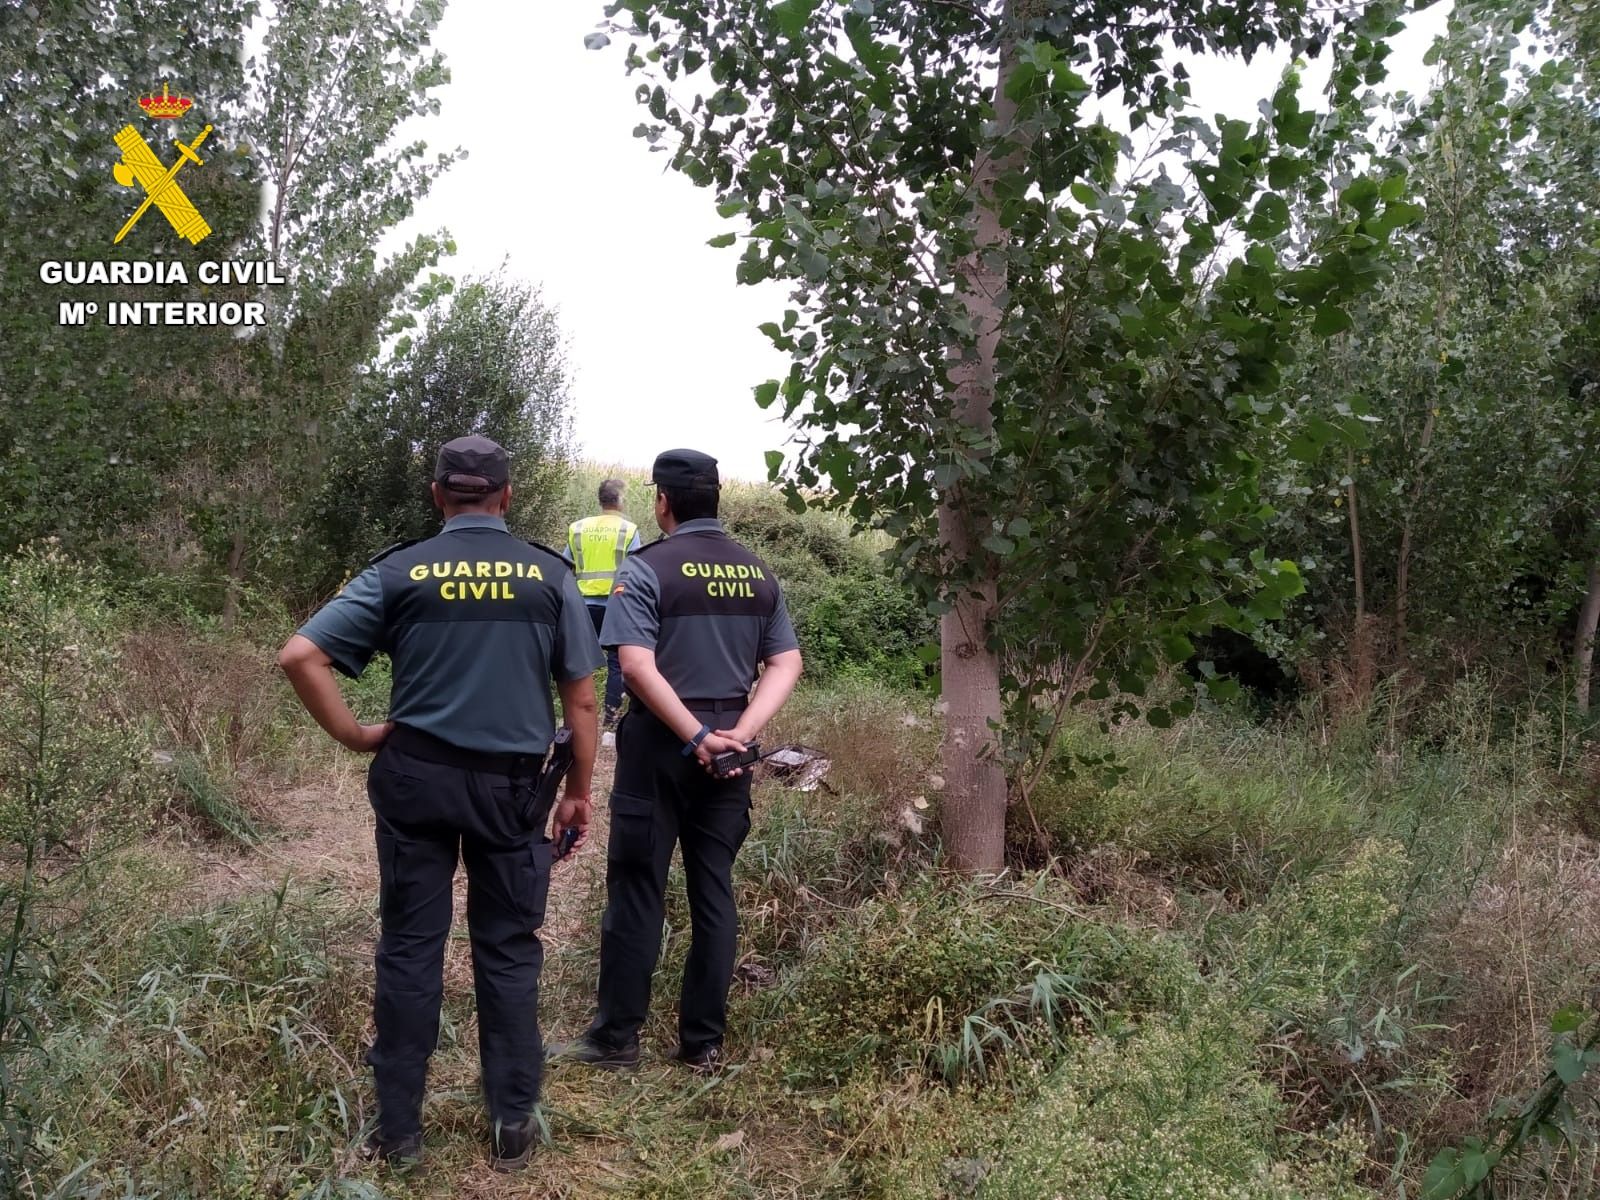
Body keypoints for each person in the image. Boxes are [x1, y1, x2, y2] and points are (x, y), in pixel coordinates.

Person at [276, 435, 602, 1171]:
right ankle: (512, 1126)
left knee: (410, 947)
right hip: (513, 792)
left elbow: (300, 655)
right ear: (506, 497)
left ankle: (398, 1134)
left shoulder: (400, 571)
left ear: (436, 496)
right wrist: (578, 791)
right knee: (508, 950)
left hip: (415, 779)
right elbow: (581, 698)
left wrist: (357, 734)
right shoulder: (549, 575)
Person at [548, 448, 803, 1073]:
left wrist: (692, 737)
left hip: (663, 744)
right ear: (716, 499)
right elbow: (786, 661)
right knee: (713, 890)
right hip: (732, 750)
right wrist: (737, 732)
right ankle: (702, 1044)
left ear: (662, 502)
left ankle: (616, 1040)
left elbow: (633, 663)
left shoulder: (647, 568)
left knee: (638, 888)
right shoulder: (756, 570)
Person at [563, 478, 642, 737]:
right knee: (617, 663)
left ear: (600, 500)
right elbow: (636, 570)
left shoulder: (578, 528)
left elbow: (564, 565)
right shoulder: (628, 530)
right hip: (615, 606)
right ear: (619, 499)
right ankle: (609, 723)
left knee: (577, 662)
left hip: (581, 605)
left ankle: (573, 720)